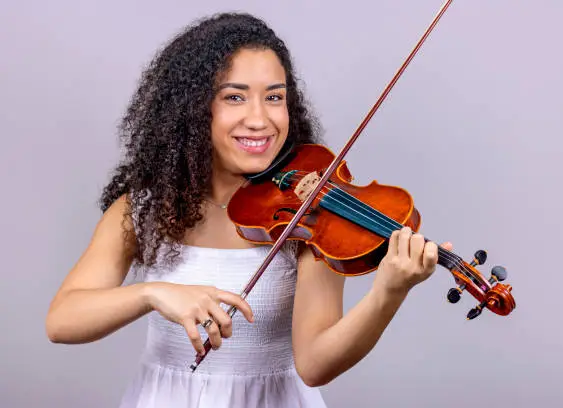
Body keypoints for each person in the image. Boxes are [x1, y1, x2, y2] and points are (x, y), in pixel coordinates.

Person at [45, 11, 452, 408]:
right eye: (235, 97)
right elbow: (62, 321)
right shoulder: (146, 209)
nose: (259, 119)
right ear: (193, 108)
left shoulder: (309, 217)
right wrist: (152, 293)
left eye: (274, 97)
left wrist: (388, 293)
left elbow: (315, 365)